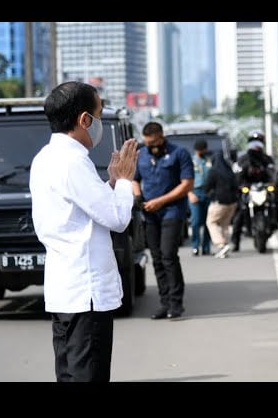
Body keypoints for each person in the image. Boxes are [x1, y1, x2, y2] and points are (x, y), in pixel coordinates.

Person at [29, 81, 139, 382]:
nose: (100, 123)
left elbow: (83, 208)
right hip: (85, 292)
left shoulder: (46, 158)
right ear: (84, 120)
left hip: (65, 289)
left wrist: (113, 184)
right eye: (99, 113)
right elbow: (116, 218)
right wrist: (127, 181)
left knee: (69, 374)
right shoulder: (73, 162)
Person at [132, 121, 193, 320]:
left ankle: (176, 303)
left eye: (154, 142)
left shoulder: (179, 153)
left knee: (168, 256)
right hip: (149, 213)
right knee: (157, 259)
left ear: (162, 136)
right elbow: (134, 179)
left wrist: (160, 201)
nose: (151, 146)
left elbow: (186, 185)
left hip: (172, 210)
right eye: (148, 143)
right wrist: (138, 196)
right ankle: (164, 302)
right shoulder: (141, 155)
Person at [231, 130, 277, 252]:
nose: (256, 145)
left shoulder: (267, 159)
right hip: (248, 190)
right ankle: (235, 242)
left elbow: (273, 174)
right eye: (253, 141)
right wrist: (241, 186)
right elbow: (237, 176)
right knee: (240, 212)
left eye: (259, 141)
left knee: (275, 202)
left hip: (263, 189)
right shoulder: (242, 160)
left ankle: (274, 223)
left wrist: (272, 184)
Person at [204, 151, 239, 258]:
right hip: (232, 203)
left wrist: (210, 194)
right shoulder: (229, 170)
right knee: (225, 224)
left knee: (211, 222)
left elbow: (207, 186)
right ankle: (224, 247)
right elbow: (236, 185)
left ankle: (221, 244)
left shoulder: (214, 171)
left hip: (219, 202)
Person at [188, 138, 212, 256]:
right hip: (195, 192)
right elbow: (184, 179)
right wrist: (190, 193)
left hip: (208, 193)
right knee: (195, 221)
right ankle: (195, 246)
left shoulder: (209, 160)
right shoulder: (190, 161)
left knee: (208, 222)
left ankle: (206, 247)